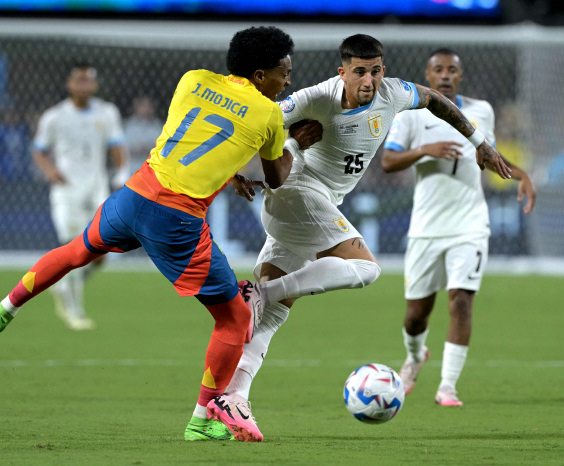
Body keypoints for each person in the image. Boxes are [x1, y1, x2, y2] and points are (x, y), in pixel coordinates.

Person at [0, 26, 298, 443]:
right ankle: (201, 421)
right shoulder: (270, 115)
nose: (288, 80)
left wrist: (230, 170)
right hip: (176, 220)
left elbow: (196, 139)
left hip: (133, 195)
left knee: (76, 251)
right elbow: (276, 176)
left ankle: (4, 307)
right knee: (235, 319)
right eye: (283, 72)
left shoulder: (193, 79)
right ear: (260, 75)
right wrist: (297, 146)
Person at [222, 35, 512, 430]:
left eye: (375, 71)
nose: (368, 80)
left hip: (312, 209)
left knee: (271, 318)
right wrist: (231, 172)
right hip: (297, 194)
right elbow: (254, 121)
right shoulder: (314, 99)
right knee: (366, 269)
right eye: (359, 71)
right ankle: (260, 293)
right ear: (341, 72)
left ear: (383, 72)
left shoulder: (393, 94)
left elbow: (437, 102)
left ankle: (230, 398)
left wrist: (479, 143)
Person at [382, 48, 536, 406]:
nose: (446, 75)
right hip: (426, 227)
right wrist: (426, 149)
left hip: (470, 224)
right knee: (417, 313)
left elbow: (490, 156)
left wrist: (522, 174)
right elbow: (389, 161)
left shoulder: (482, 111)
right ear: (429, 75)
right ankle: (415, 355)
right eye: (439, 70)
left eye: (452, 69)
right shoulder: (410, 113)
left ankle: (447, 385)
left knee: (461, 302)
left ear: (460, 76)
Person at [31, 64, 130, 330]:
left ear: (95, 85)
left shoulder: (107, 113)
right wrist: (50, 170)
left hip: (96, 189)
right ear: (70, 83)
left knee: (100, 255)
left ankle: (62, 285)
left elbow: (117, 145)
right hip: (67, 192)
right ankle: (74, 311)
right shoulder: (54, 117)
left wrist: (121, 172)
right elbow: (39, 150)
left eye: (88, 81)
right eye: (79, 80)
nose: (83, 86)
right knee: (73, 248)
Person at [124, 96, 165, 173]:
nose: (145, 109)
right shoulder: (129, 126)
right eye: (142, 106)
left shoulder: (158, 126)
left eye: (147, 106)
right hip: (132, 166)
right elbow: (123, 147)